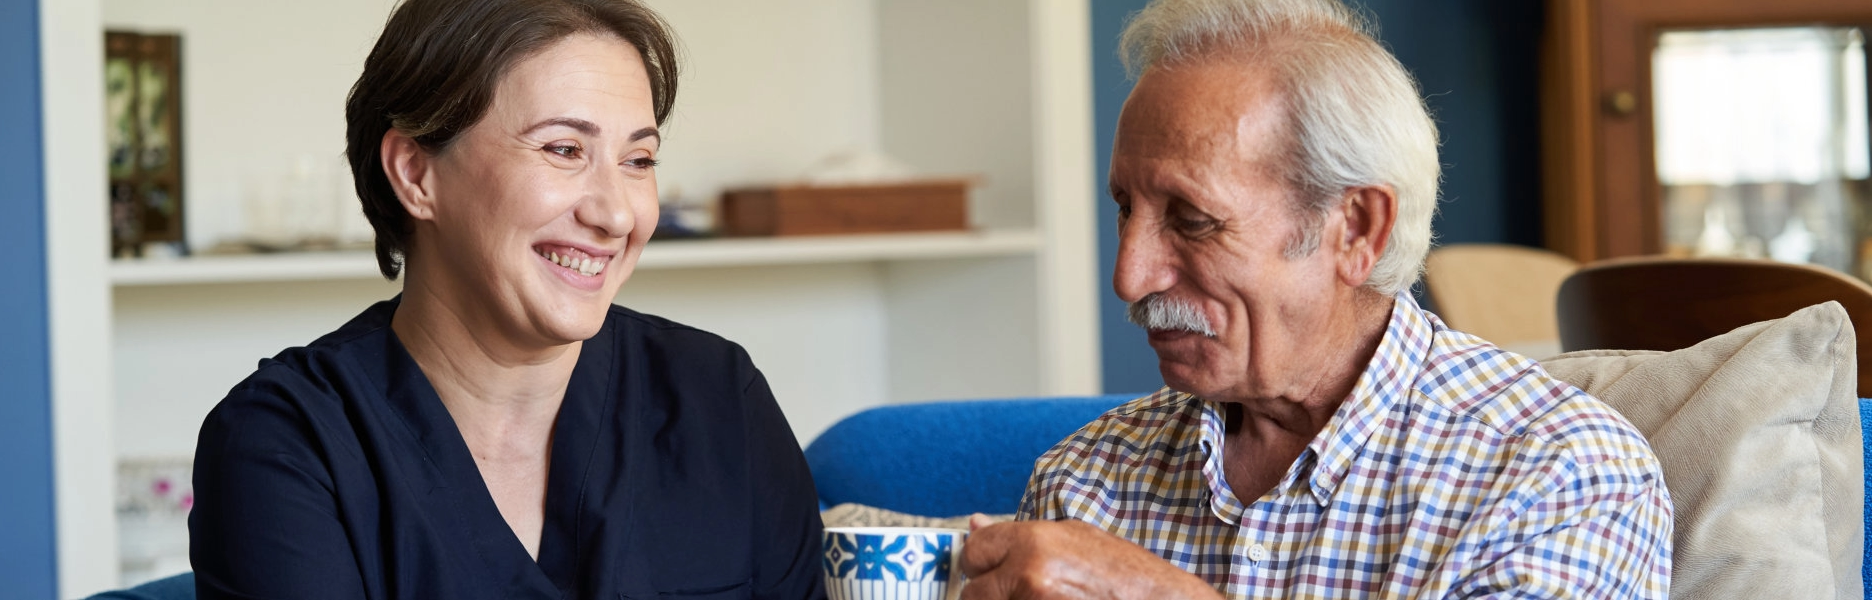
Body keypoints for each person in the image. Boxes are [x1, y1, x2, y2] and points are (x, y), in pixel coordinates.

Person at [959, 0, 1672, 597]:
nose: (1130, 275)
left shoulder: (1558, 476)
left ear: (1356, 228)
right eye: (1125, 207)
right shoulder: (1086, 484)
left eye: (1192, 219)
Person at [187, 0, 825, 598]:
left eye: (638, 160)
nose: (616, 214)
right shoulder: (287, 445)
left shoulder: (718, 400)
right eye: (563, 149)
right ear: (416, 173)